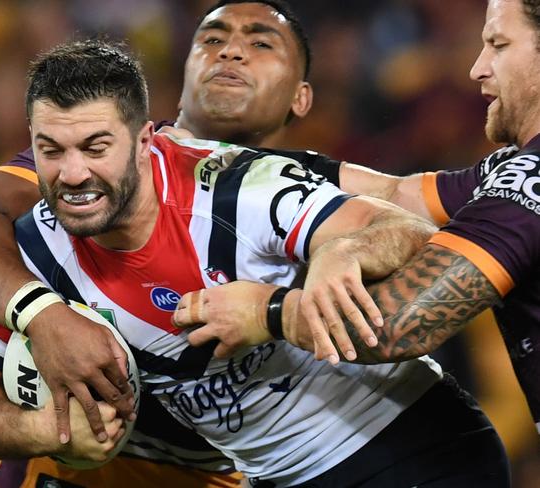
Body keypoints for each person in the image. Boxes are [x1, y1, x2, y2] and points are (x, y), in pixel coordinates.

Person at [0, 36, 510, 487]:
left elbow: (403, 227)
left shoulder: (233, 187)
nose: (71, 175)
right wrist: (42, 429)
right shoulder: (35, 253)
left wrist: (341, 255)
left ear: (145, 142)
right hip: (273, 477)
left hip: (409, 450)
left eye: (96, 148)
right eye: (51, 150)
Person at [172, 0, 540, 439]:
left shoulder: (529, 179)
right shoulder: (513, 169)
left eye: (498, 44)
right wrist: (215, 160)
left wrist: (266, 311)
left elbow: (401, 323)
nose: (477, 67)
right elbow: (396, 195)